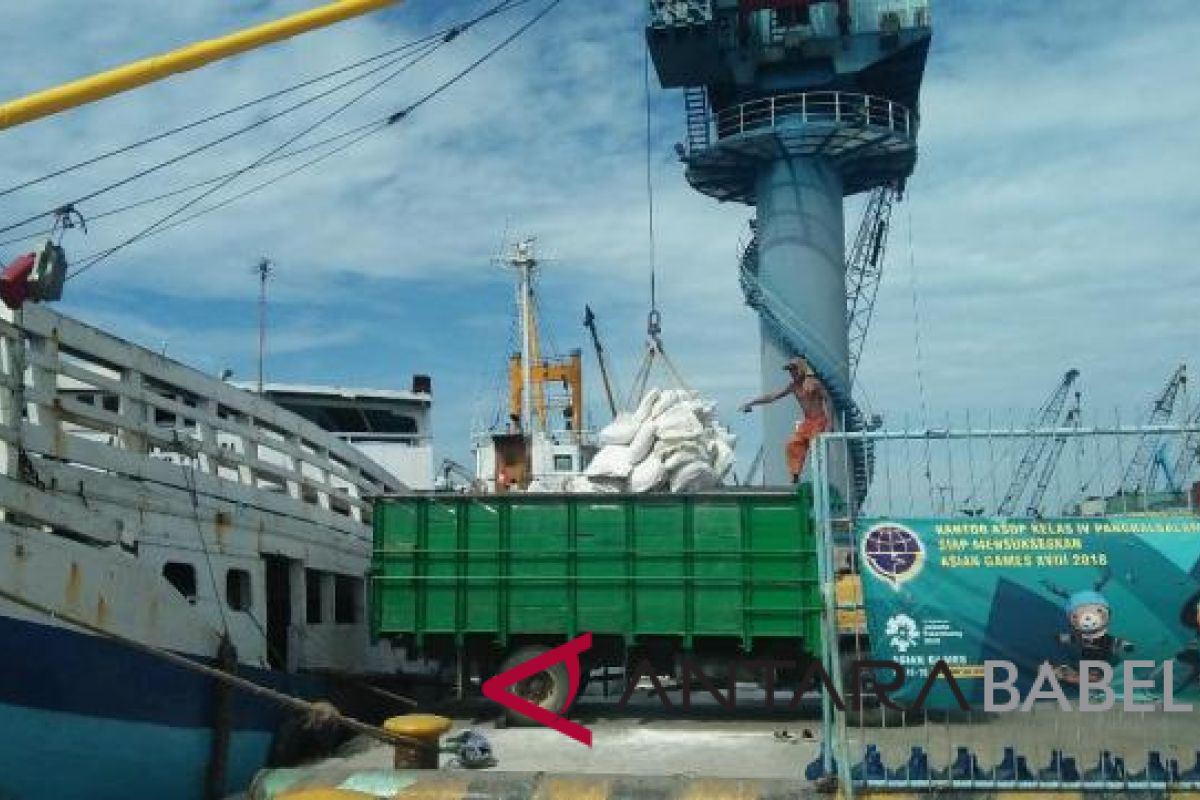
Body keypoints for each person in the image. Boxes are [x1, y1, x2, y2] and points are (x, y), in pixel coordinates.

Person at [740, 356, 830, 483]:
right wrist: (751, 403)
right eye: (790, 371)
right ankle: (795, 474)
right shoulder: (793, 386)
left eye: (794, 370)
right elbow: (772, 397)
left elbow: (827, 399)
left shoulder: (813, 383)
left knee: (816, 447)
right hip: (807, 422)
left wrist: (829, 422)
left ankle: (820, 477)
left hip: (819, 420)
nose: (792, 373)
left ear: (801, 369)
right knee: (792, 443)